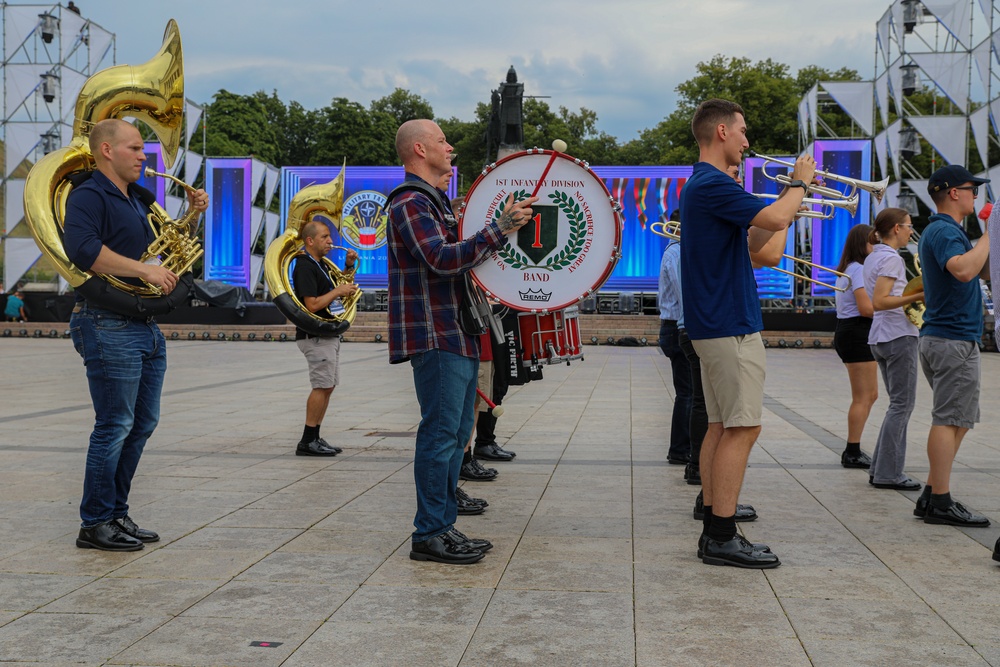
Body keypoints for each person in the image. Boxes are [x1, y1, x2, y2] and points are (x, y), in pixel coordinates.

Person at [386, 118, 535, 565]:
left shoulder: (434, 203)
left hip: (456, 331)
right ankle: (428, 533)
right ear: (418, 149)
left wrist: (494, 234)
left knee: (455, 436)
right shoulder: (410, 203)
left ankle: (443, 526)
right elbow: (441, 258)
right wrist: (498, 228)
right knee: (440, 434)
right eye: (442, 141)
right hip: (436, 334)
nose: (450, 149)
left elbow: (464, 257)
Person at [63, 118, 208, 551]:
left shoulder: (136, 199)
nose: (144, 156)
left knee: (141, 422)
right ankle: (94, 523)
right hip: (105, 322)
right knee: (115, 424)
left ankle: (115, 513)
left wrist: (192, 216)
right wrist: (144, 268)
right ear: (107, 150)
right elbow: (83, 249)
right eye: (135, 149)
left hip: (142, 324)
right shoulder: (89, 193)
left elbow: (169, 246)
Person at [680, 98, 813, 569]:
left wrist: (790, 206)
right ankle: (720, 535)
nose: (747, 140)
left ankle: (715, 519)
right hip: (729, 324)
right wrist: (798, 183)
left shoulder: (705, 186)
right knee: (744, 426)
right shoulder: (712, 183)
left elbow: (762, 249)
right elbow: (774, 220)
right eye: (742, 131)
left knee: (722, 425)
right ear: (720, 132)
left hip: (718, 323)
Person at [915, 165, 991, 527]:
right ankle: (941, 501)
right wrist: (991, 235)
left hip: (947, 337)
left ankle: (931, 494)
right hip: (952, 337)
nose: (976, 195)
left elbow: (980, 270)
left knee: (957, 419)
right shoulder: (944, 230)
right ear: (953, 193)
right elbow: (962, 270)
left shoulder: (947, 231)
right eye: (971, 189)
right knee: (949, 420)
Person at [863, 209, 923, 490]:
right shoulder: (892, 259)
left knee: (896, 406)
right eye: (909, 226)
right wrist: (919, 295)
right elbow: (881, 301)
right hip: (898, 335)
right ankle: (889, 474)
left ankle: (880, 469)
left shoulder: (874, 255)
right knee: (902, 406)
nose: (911, 231)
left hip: (882, 337)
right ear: (897, 228)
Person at [291, 220, 359, 456]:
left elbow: (340, 285)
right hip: (315, 336)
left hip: (327, 334)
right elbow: (312, 304)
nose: (330, 241)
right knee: (321, 386)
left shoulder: (319, 264)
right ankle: (307, 440)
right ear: (310, 241)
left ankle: (315, 436)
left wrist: (348, 267)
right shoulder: (304, 266)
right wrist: (338, 291)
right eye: (325, 237)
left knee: (327, 386)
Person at [833, 224, 876, 470]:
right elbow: (866, 308)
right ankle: (852, 451)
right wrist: (896, 307)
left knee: (868, 395)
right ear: (862, 245)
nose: (876, 247)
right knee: (863, 397)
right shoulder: (859, 269)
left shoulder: (850, 268)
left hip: (852, 331)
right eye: (873, 243)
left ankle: (854, 448)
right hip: (857, 331)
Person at [657, 214, 692, 466]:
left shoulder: (675, 250)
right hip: (678, 328)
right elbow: (685, 296)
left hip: (674, 328)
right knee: (688, 394)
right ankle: (680, 449)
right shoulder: (679, 252)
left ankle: (683, 447)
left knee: (688, 392)